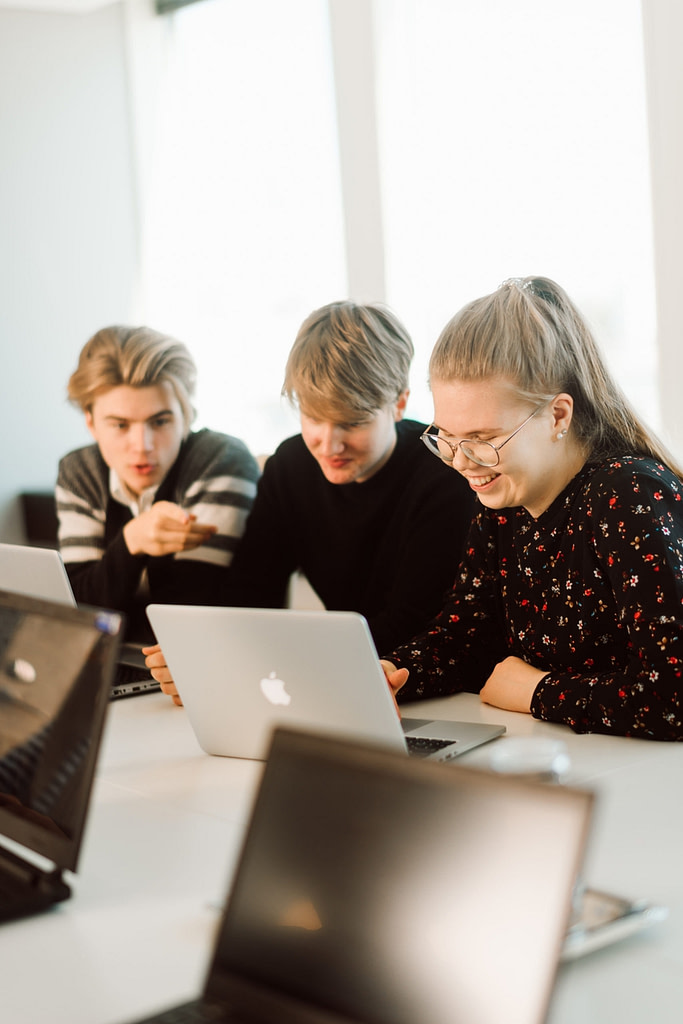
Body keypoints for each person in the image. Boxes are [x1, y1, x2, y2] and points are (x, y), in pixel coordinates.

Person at [381, 276, 683, 740]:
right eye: (447, 437)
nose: (461, 462)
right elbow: (465, 640)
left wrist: (537, 692)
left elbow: (673, 695)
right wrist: (394, 672)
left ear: (558, 415)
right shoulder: (502, 499)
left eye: (483, 439)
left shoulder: (628, 495)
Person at [148, 300, 475, 704]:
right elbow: (250, 598)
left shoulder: (445, 473)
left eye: (352, 423)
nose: (329, 444)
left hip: (431, 689)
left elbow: (410, 625)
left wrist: (239, 662)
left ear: (400, 403)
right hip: (342, 683)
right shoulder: (290, 466)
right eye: (313, 417)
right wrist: (207, 655)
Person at [56, 326, 260, 643]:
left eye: (160, 421)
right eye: (120, 425)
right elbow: (79, 612)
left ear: (186, 416)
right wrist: (132, 541)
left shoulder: (221, 460)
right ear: (91, 423)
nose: (142, 445)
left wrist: (114, 570)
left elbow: (188, 615)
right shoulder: (80, 471)